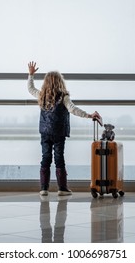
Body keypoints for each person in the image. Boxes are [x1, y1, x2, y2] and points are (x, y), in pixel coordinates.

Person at [27, 61, 101, 196]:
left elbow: (30, 89)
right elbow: (73, 110)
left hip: (45, 132)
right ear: (60, 82)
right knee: (59, 158)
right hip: (59, 132)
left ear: (46, 83)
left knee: (46, 157)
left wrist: (31, 75)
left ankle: (44, 188)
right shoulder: (63, 97)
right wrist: (89, 115)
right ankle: (62, 188)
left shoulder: (42, 95)